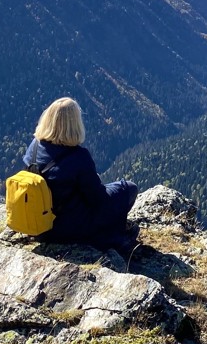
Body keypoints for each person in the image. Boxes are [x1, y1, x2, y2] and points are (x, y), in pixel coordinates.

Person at [23, 97, 139, 253]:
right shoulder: (79, 156)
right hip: (65, 229)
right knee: (128, 188)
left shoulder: (35, 146)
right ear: (75, 124)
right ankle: (113, 235)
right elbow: (98, 200)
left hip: (38, 225)